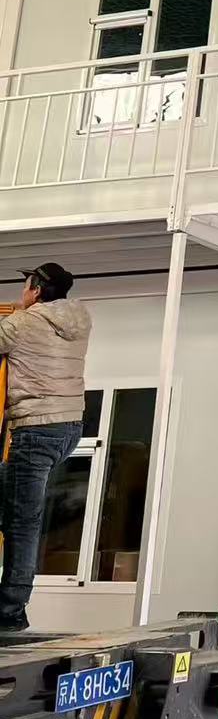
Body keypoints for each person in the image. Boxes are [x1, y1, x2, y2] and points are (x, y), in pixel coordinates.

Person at [0, 262, 90, 632]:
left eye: (26, 285)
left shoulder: (22, 323)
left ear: (36, 290)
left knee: (22, 522)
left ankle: (10, 611)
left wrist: (13, 316)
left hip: (35, 429)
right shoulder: (81, 320)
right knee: (12, 496)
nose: (22, 292)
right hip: (69, 428)